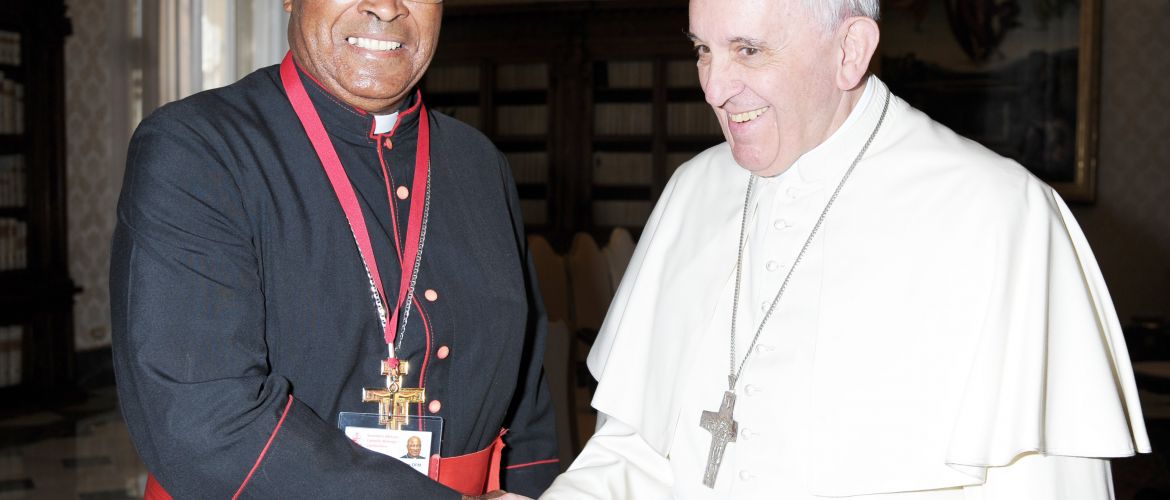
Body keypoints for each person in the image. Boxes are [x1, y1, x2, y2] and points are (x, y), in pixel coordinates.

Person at [542, 0, 1150, 498]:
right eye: (703, 49)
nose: (714, 88)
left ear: (849, 50)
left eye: (747, 50)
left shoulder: (1001, 213)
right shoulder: (692, 191)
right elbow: (639, 454)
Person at [110, 1, 557, 498]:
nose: (386, 8)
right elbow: (203, 421)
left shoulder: (480, 163)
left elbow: (527, 406)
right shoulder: (197, 149)